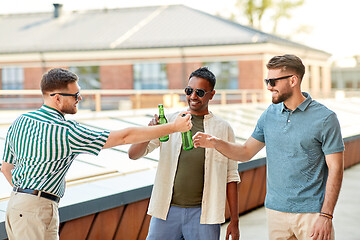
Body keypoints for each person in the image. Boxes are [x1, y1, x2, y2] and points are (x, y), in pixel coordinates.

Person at [0, 68, 192, 240]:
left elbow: (6, 167)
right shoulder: (64, 130)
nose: (80, 99)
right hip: (36, 209)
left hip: (16, 205)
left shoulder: (20, 121)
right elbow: (124, 137)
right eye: (75, 95)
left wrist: (25, 195)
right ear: (56, 97)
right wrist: (173, 127)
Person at [193, 55, 344, 240]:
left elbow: (336, 169)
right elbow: (245, 152)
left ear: (293, 80)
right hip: (276, 213)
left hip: (312, 214)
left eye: (272, 81)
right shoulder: (269, 115)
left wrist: (326, 215)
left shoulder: (325, 118)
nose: (268, 87)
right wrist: (215, 142)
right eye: (267, 80)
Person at [128, 67, 240, 240]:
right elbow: (133, 154)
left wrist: (235, 221)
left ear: (212, 94)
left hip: (205, 215)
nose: (193, 96)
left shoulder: (223, 129)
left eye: (200, 92)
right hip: (166, 211)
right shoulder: (171, 121)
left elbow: (231, 176)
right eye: (189, 91)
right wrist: (150, 130)